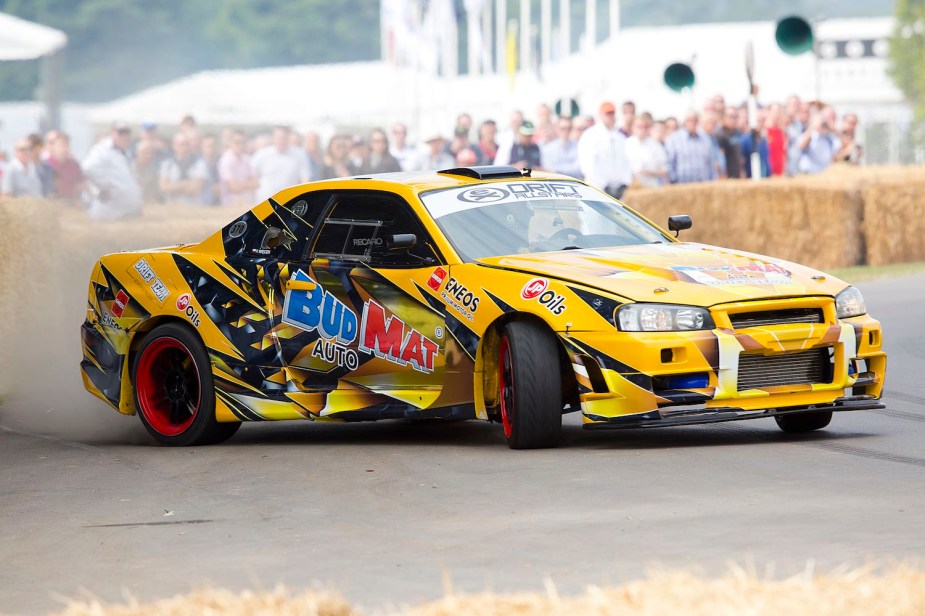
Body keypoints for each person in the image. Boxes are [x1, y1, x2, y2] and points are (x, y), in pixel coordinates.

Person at [82, 122, 143, 219]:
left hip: (126, 212)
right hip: (111, 211)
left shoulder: (125, 152)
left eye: (127, 133)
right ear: (112, 133)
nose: (124, 136)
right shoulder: (103, 149)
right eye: (120, 133)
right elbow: (88, 168)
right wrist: (103, 186)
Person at [577, 101, 632, 198]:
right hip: (596, 189)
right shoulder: (590, 135)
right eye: (607, 114)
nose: (610, 117)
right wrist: (603, 185)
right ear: (600, 115)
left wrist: (624, 183)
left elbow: (627, 162)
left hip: (618, 191)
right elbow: (587, 165)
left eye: (612, 113)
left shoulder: (620, 137)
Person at [251, 126, 310, 199]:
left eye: (283, 137)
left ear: (288, 138)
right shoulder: (261, 154)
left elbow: (305, 179)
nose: (281, 140)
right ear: (273, 138)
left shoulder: (299, 155)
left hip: (288, 201)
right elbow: (251, 176)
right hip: (264, 201)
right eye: (278, 137)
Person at [159, 132, 209, 205]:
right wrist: (185, 184)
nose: (184, 147)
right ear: (174, 146)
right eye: (181, 144)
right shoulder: (167, 165)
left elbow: (197, 188)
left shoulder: (199, 163)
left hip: (194, 209)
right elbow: (163, 187)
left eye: (186, 144)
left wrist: (173, 187)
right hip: (172, 209)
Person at [666, 112, 716, 184]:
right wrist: (673, 181)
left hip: (703, 185)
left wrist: (712, 181)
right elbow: (670, 163)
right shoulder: (674, 139)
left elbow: (710, 163)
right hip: (682, 185)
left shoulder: (705, 139)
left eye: (695, 120)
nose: (693, 123)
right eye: (689, 120)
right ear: (684, 122)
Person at [625, 113, 668, 188]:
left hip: (651, 188)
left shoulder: (655, 145)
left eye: (645, 127)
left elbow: (664, 170)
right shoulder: (626, 144)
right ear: (633, 127)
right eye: (639, 127)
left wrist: (650, 172)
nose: (642, 130)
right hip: (630, 188)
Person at [219, 130, 258, 206]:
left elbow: (256, 183)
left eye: (243, 142)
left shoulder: (246, 159)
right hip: (230, 206)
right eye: (237, 142)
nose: (240, 145)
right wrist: (248, 184)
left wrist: (240, 185)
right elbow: (233, 187)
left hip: (247, 205)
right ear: (229, 143)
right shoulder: (225, 160)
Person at [45, 132, 84, 203]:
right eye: (60, 145)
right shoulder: (46, 164)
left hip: (71, 205)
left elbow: (80, 184)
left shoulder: (74, 165)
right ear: (54, 146)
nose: (63, 148)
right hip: (52, 205)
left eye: (66, 145)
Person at [715, 108, 744, 179]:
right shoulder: (720, 134)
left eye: (735, 116)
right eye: (731, 117)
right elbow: (720, 157)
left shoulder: (737, 132)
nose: (733, 120)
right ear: (724, 118)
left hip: (737, 173)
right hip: (727, 175)